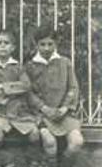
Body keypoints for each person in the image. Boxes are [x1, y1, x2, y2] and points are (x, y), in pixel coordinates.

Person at [26, 25, 84, 157]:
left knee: (77, 142)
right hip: (41, 114)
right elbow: (28, 92)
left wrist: (65, 107)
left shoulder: (65, 63)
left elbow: (73, 87)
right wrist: (44, 108)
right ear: (36, 44)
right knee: (50, 142)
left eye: (50, 44)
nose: (47, 48)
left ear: (56, 44)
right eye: (43, 44)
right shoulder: (30, 66)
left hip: (63, 114)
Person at [0, 31, 40, 147]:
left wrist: (4, 87)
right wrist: (11, 92)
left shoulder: (18, 67)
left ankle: (33, 161)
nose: (3, 46)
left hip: (18, 111)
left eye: (6, 43)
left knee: (34, 132)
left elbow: (26, 85)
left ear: (13, 48)